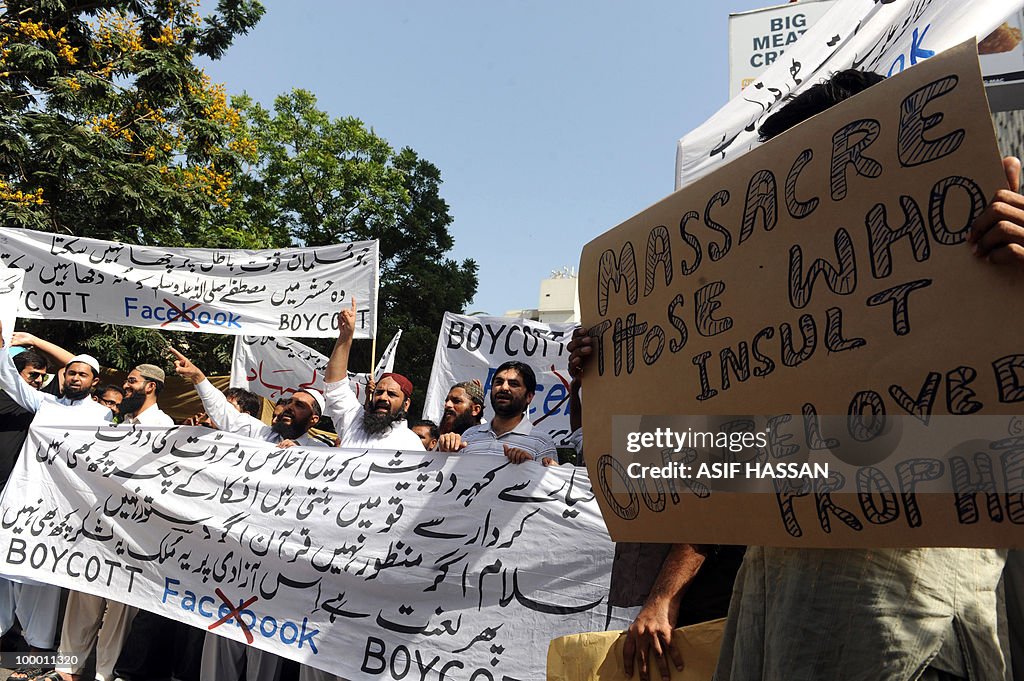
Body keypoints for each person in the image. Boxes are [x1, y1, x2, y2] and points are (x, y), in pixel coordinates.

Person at [570, 68, 1019, 681]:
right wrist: (610, 381)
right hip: (781, 614)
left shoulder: (988, 243)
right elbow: (722, 459)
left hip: (918, 619)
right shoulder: (768, 329)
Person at [171, 346, 329, 681]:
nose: (288, 408)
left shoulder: (324, 454)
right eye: (287, 402)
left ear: (313, 420)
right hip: (238, 554)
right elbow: (227, 415)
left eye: (299, 406)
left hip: (279, 564)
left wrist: (304, 456)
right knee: (222, 632)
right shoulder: (259, 435)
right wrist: (200, 377)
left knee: (265, 644)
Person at [321, 298, 424, 452]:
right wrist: (346, 336)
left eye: (392, 394)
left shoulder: (411, 444)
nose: (383, 398)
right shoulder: (354, 421)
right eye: (379, 392)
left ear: (406, 404)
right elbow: (334, 385)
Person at [437, 361, 557, 465]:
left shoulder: (543, 443)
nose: (504, 388)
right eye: (498, 382)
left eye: (513, 384)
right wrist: (446, 453)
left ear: (529, 397)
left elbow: (546, 488)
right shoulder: (469, 435)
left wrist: (529, 467)